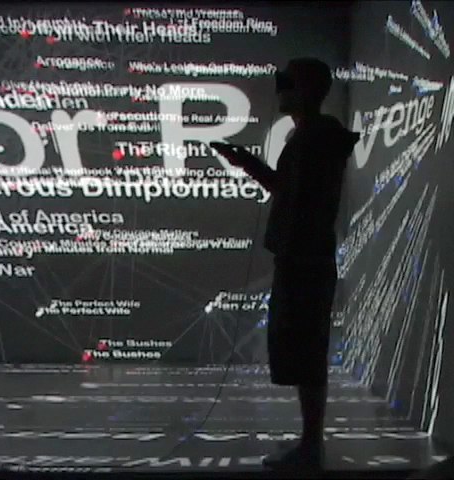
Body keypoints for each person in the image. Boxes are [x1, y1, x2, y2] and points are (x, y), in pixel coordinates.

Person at [211, 57, 360, 470]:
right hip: (303, 258)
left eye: (286, 81)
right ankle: (310, 443)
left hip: (305, 260)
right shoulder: (311, 136)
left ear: (306, 88)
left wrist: (250, 165)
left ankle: (311, 445)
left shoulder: (317, 137)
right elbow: (287, 188)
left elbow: (298, 196)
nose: (280, 89)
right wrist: (248, 164)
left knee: (307, 351)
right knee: (303, 350)